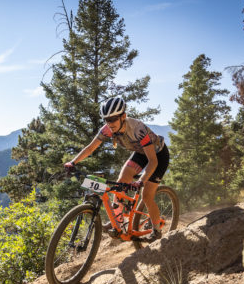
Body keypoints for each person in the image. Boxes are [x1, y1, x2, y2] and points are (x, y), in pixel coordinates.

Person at [64, 97, 170, 242]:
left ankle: (157, 230)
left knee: (146, 196)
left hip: (157, 156)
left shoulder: (138, 129)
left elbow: (152, 161)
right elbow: (90, 148)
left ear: (123, 116)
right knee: (121, 181)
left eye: (113, 119)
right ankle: (118, 222)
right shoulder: (107, 129)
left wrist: (141, 181)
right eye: (106, 119)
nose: (109, 123)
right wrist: (73, 161)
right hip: (140, 153)